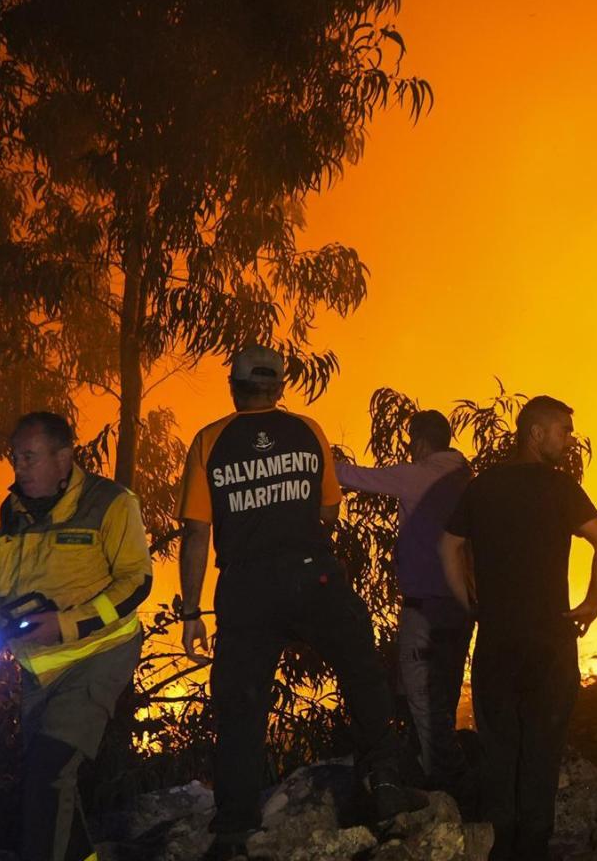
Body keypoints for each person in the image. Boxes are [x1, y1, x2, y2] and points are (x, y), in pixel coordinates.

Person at [175, 345, 425, 859]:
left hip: (245, 586)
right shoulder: (307, 431)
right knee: (360, 669)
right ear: (280, 388)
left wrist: (192, 611)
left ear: (233, 388)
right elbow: (329, 511)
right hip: (313, 576)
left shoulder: (209, 441)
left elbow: (196, 532)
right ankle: (385, 783)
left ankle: (235, 827)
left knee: (241, 705)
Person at [440, 395, 597, 861]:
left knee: (498, 751)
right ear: (536, 433)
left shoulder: (482, 486)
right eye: (564, 431)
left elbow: (448, 547)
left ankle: (499, 848)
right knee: (543, 752)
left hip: (497, 639)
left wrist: (468, 604)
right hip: (550, 643)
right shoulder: (560, 488)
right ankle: (533, 848)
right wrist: (592, 603)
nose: (569, 440)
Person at [0, 411, 153, 861]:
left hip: (97, 656)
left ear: (64, 457)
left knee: (49, 772)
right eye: (15, 458)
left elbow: (136, 582)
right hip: (40, 668)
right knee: (48, 779)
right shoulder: (12, 510)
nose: (20, 468)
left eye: (30, 457)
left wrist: (69, 624)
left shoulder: (110, 503)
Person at [336, 409, 474, 789]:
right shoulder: (466, 477)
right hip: (462, 605)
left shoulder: (418, 475)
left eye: (412, 442)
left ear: (421, 442)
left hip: (425, 607)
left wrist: (310, 457)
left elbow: (351, 475)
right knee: (444, 693)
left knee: (423, 697)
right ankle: (434, 772)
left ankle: (447, 784)